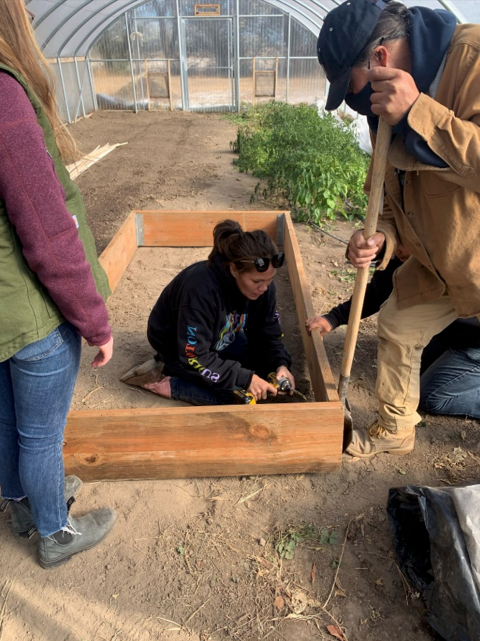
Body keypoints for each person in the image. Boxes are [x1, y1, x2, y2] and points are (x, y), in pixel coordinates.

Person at [317, 0, 480, 457]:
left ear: (381, 60)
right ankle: (395, 431)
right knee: (399, 324)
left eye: (350, 88)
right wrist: (382, 237)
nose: (354, 103)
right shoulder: (383, 110)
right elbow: (390, 199)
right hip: (442, 264)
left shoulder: (471, 59)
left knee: (443, 385)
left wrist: (419, 113)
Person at [0, 1, 116, 568]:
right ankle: (54, 532)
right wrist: (94, 320)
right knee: (40, 435)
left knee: (6, 418)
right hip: (27, 313)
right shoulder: (4, 96)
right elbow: (47, 232)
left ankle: (22, 505)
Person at [121, 219, 295, 405]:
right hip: (180, 348)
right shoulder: (200, 291)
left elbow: (268, 333)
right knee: (239, 397)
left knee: (264, 372)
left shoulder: (263, 285)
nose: (264, 288)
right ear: (234, 269)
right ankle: (166, 382)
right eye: (257, 282)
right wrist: (245, 379)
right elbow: (194, 355)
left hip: (220, 337)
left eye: (269, 280)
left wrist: (280, 364)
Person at [306, 250, 480, 419]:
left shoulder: (454, 259)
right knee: (410, 371)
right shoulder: (405, 253)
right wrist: (333, 318)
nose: (397, 250)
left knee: (432, 396)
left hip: (474, 340)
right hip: (448, 335)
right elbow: (379, 291)